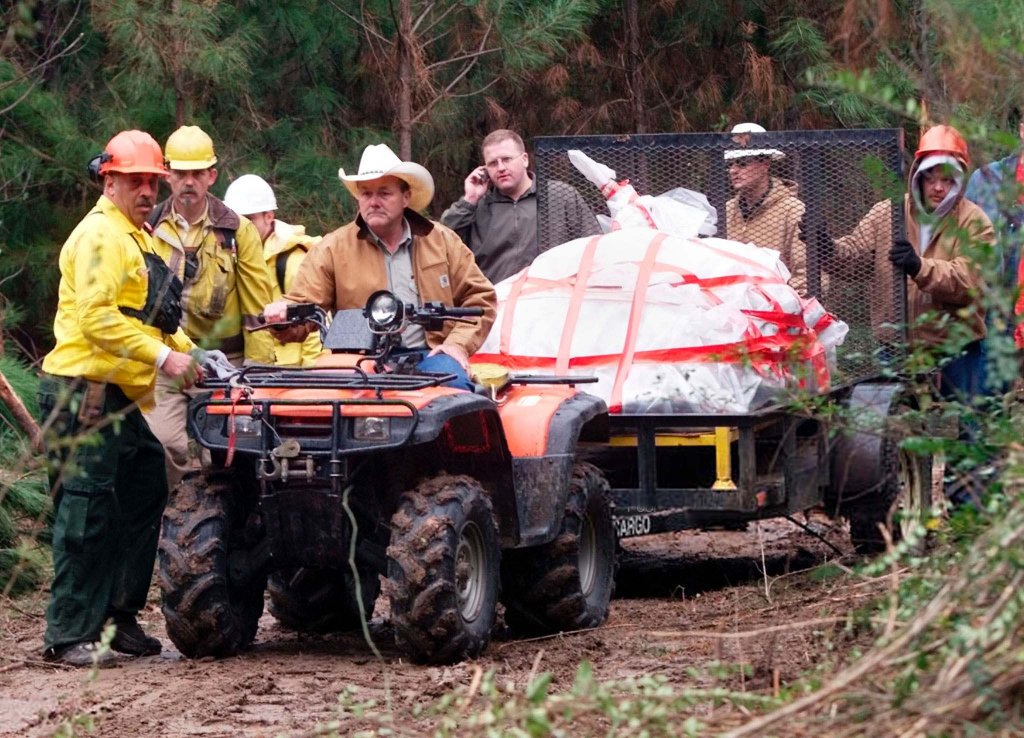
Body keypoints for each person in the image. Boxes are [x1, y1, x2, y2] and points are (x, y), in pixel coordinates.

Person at [38, 130, 201, 666]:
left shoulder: (137, 237)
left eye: (153, 182)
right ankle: (68, 634)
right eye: (135, 181)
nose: (146, 191)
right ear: (108, 180)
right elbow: (96, 319)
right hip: (82, 392)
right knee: (85, 512)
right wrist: (164, 360)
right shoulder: (99, 238)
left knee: (144, 487)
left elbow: (152, 319)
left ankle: (117, 614)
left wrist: (193, 353)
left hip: (120, 398)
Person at [265, 143, 496, 390]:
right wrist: (283, 317)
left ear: (406, 197)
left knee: (452, 391)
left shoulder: (442, 241)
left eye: (384, 193)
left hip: (431, 356)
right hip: (358, 359)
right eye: (366, 194)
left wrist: (456, 344)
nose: (373, 202)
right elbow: (303, 307)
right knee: (321, 402)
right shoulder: (332, 248)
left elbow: (481, 299)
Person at [145, 125, 277, 490]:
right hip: (166, 363)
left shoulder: (236, 231)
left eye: (197, 174)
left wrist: (258, 375)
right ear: (167, 174)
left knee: (225, 459)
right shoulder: (147, 226)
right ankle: (165, 520)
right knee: (162, 446)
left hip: (224, 367)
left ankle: (220, 528)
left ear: (211, 176)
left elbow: (257, 309)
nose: (189, 182)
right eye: (181, 173)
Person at [440, 129, 601, 284]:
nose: (501, 168)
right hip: (496, 302)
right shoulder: (477, 207)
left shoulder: (560, 196)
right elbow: (441, 244)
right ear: (485, 169)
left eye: (507, 159)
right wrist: (470, 199)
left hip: (554, 300)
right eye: (493, 163)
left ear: (524, 159)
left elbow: (594, 246)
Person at [223, 174, 324, 367]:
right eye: (236, 220)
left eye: (249, 219)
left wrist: (313, 379)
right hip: (247, 367)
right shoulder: (229, 256)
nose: (241, 227)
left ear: (269, 217)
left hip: (289, 375)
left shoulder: (293, 261)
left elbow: (315, 327)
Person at [724, 122, 813, 297]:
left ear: (765, 163)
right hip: (731, 312)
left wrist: (788, 309)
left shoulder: (792, 210)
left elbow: (806, 272)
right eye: (730, 164)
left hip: (778, 314)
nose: (733, 170)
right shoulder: (725, 211)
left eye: (742, 163)